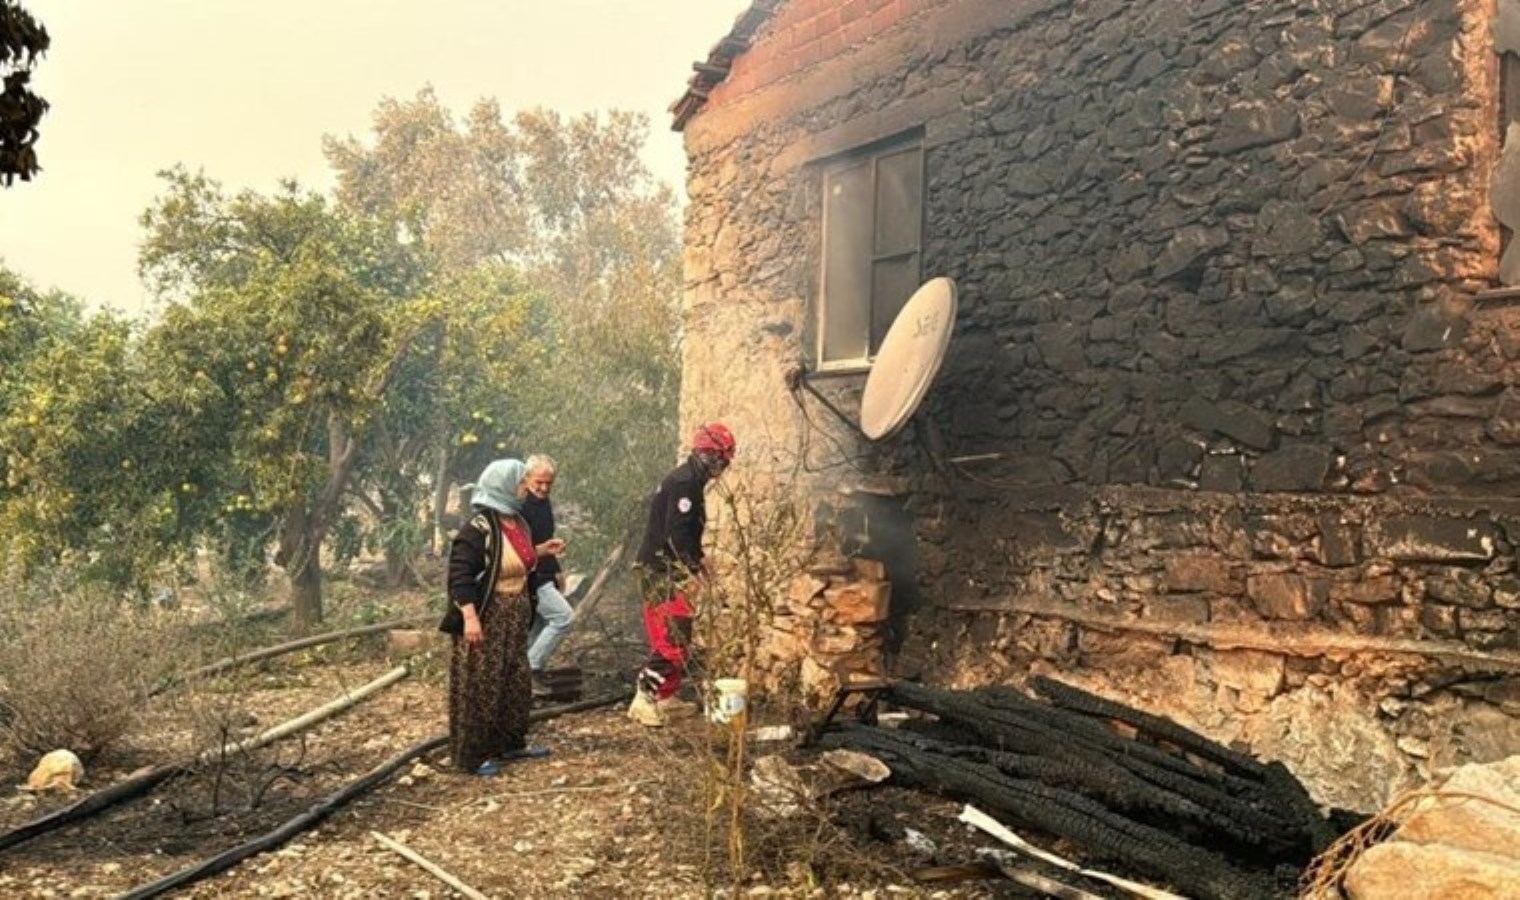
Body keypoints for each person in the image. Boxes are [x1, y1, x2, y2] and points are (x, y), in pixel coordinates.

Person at [439, 458, 547, 774]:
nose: (525, 489)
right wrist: (470, 618)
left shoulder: (518, 523)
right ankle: (472, 756)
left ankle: (508, 744)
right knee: (481, 682)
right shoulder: (478, 529)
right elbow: (460, 577)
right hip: (487, 615)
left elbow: (512, 559)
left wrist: (540, 552)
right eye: (520, 483)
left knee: (514, 678)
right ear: (503, 486)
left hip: (515, 613)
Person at [628, 423, 737, 727]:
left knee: (680, 636)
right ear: (710, 456)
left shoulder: (689, 480)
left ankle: (666, 696)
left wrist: (699, 561)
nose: (724, 467)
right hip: (662, 572)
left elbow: (686, 532)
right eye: (723, 460)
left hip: (667, 569)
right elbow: (677, 534)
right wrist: (690, 566)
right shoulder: (684, 483)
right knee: (672, 637)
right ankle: (644, 696)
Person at [522, 454, 572, 691]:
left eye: (548, 483)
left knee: (540, 624)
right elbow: (518, 551)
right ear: (527, 478)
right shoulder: (521, 507)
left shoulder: (543, 503)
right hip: (529, 577)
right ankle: (531, 667)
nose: (543, 488)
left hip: (543, 573)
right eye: (538, 482)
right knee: (563, 618)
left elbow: (545, 543)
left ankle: (524, 677)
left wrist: (556, 571)